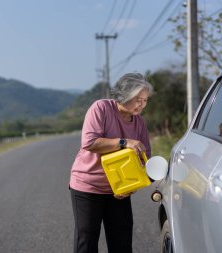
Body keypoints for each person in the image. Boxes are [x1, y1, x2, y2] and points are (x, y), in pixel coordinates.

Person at [69, 72, 153, 253]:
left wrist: (132, 186)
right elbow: (90, 143)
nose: (141, 104)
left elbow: (145, 158)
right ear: (124, 95)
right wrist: (124, 142)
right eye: (137, 98)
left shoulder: (140, 123)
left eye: (145, 100)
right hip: (88, 185)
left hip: (119, 190)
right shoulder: (101, 108)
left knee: (122, 244)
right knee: (87, 242)